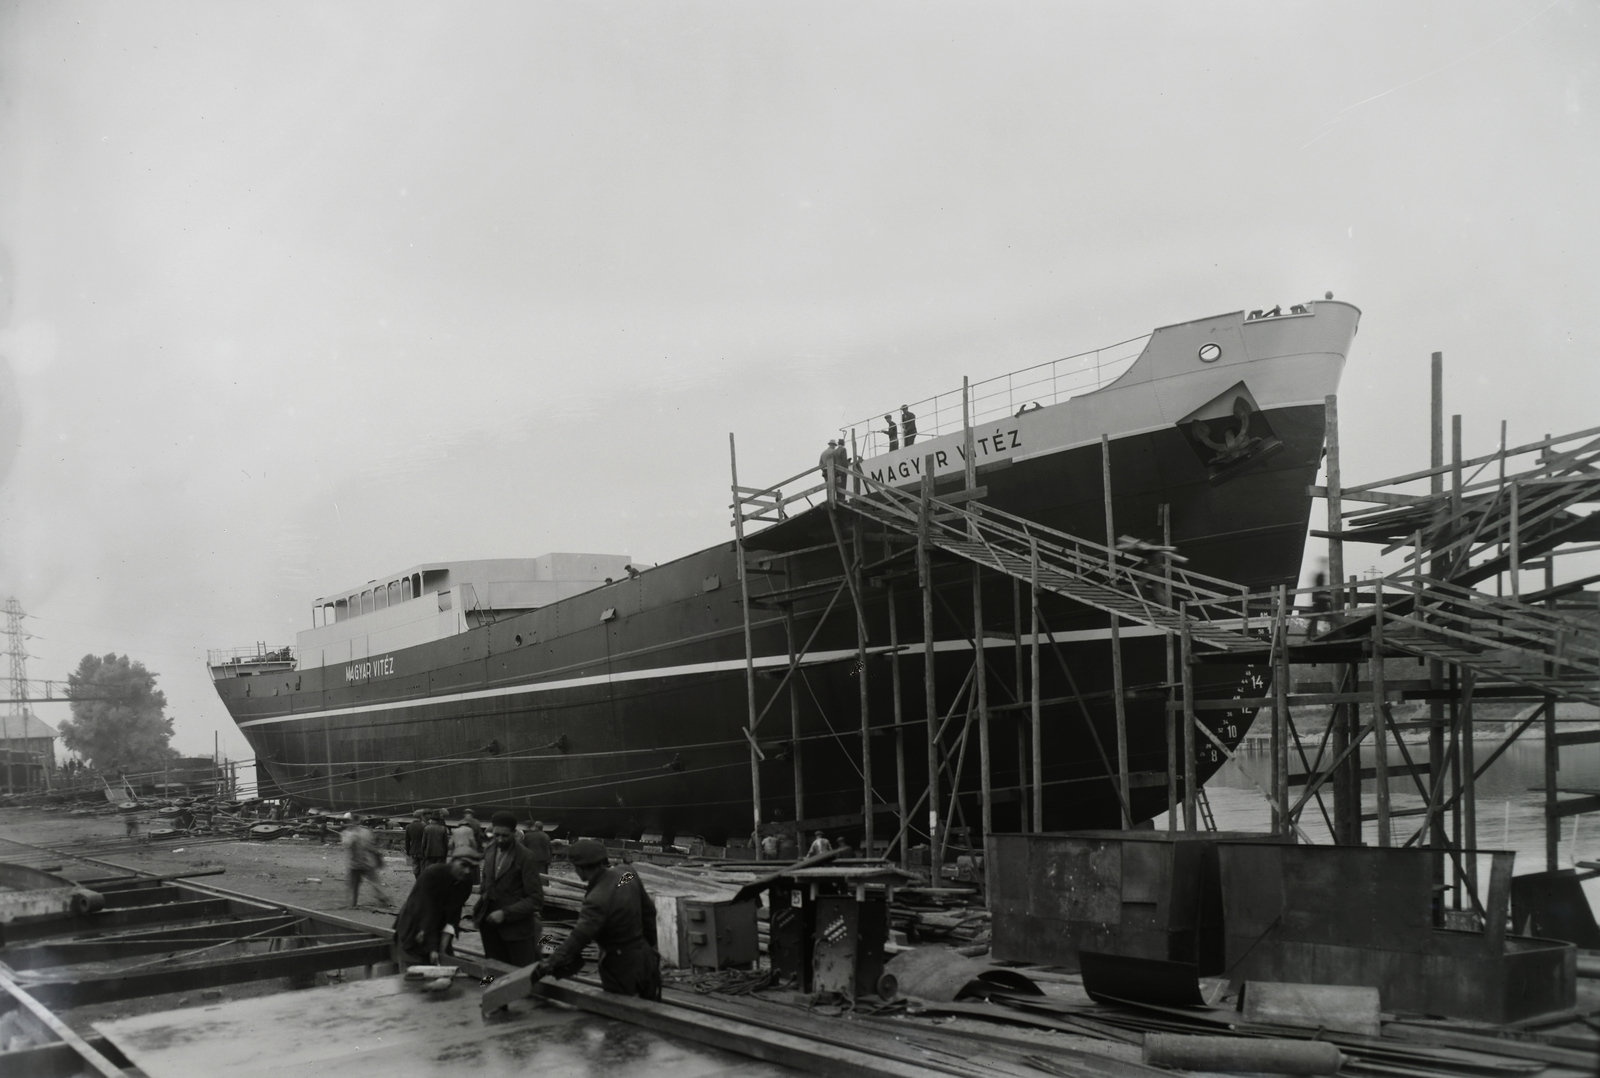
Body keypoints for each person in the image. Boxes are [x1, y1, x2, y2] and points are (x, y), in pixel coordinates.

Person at [529, 840, 660, 999]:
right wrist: (649, 945)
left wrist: (548, 965)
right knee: (651, 1007)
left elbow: (578, 939)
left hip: (620, 967)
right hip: (646, 958)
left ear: (580, 869)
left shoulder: (596, 900)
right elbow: (649, 912)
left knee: (623, 1013)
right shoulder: (626, 873)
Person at [472, 810, 544, 967]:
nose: (500, 839)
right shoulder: (490, 851)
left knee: (518, 976)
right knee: (494, 970)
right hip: (490, 928)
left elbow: (536, 899)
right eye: (496, 834)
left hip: (517, 931)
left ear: (514, 833)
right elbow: (486, 883)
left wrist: (505, 914)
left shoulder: (526, 857)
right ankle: (491, 988)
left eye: (505, 836)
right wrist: (480, 910)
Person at [393, 849, 478, 969]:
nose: (467, 871)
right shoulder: (432, 874)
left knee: (446, 967)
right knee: (413, 975)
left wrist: (443, 949)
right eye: (463, 865)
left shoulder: (466, 882)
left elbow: (453, 916)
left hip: (437, 930)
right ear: (452, 861)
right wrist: (432, 948)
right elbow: (424, 912)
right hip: (414, 928)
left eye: (472, 867)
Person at [341, 812, 393, 908]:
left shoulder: (348, 833)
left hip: (355, 863)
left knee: (354, 885)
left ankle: (352, 903)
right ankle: (383, 899)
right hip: (367, 862)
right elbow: (371, 846)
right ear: (360, 820)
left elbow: (347, 845)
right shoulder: (366, 832)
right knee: (375, 882)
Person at [404, 809, 427, 877]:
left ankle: (417, 879)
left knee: (415, 866)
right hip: (422, 851)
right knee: (423, 867)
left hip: (413, 850)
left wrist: (407, 851)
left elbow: (407, 840)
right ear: (421, 816)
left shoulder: (408, 827)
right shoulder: (424, 826)